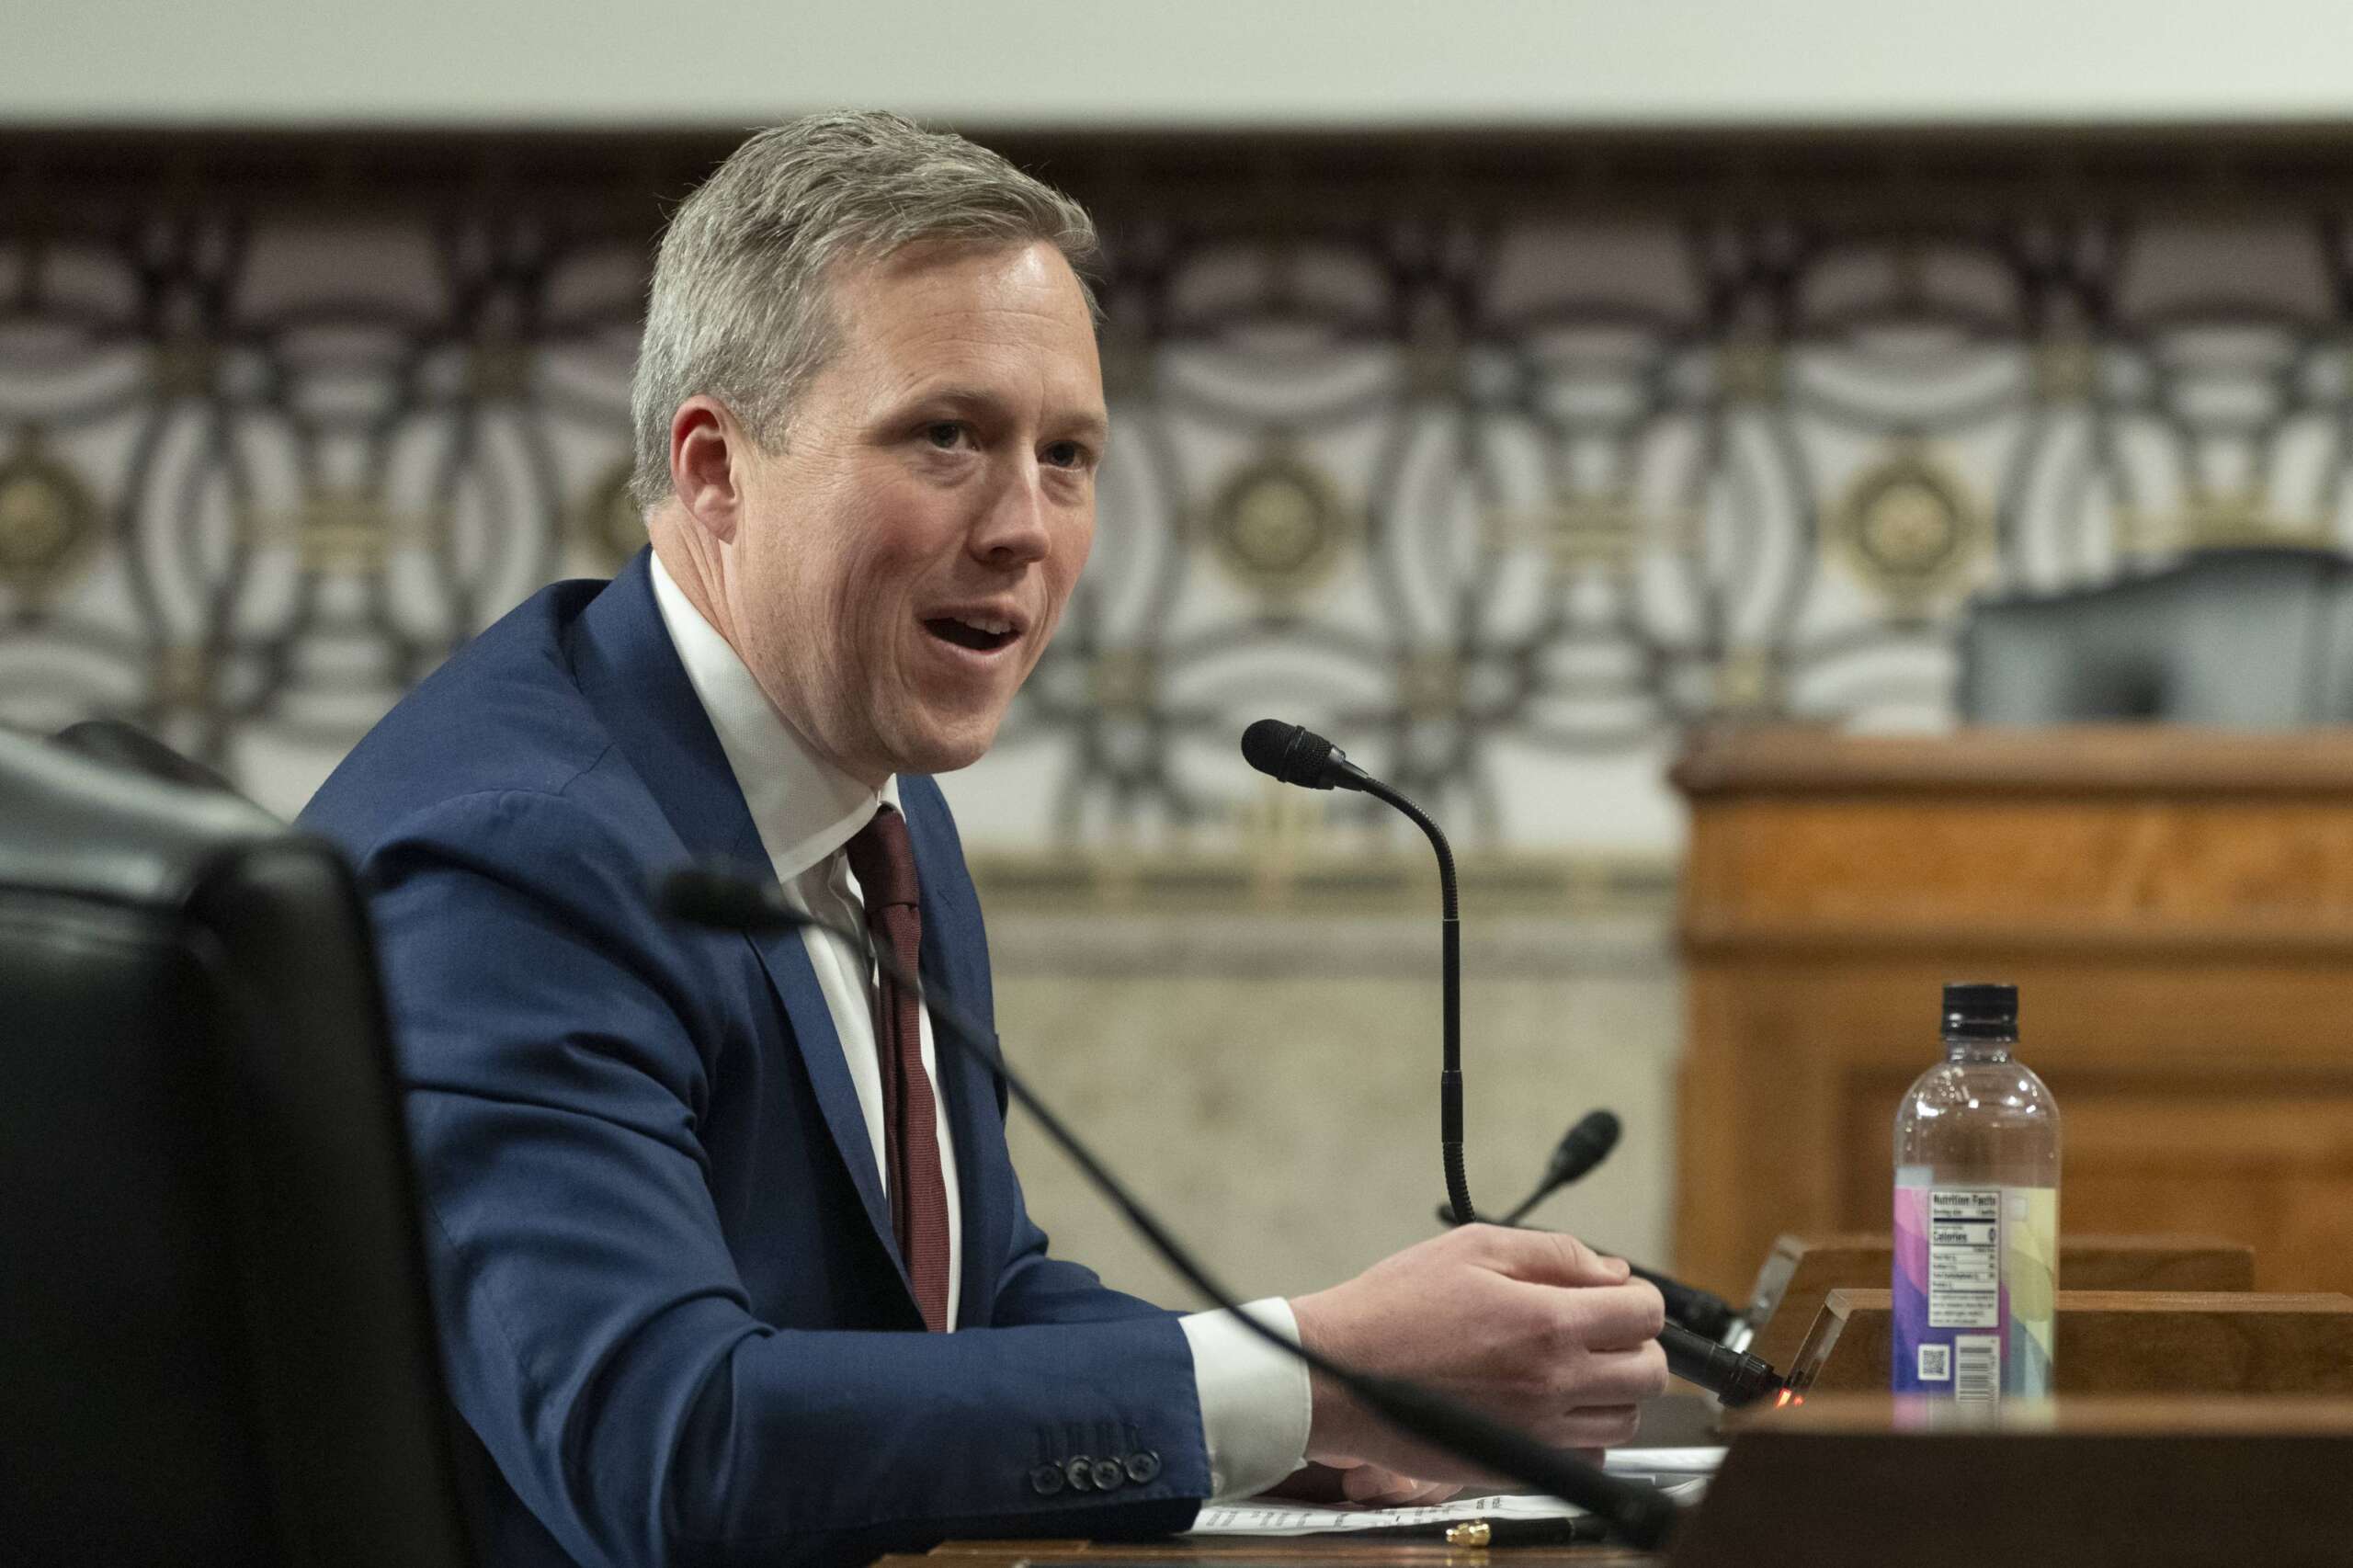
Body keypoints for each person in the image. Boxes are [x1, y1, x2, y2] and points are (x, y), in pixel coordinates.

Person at [301, 112, 1666, 1568]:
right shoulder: (519, 859)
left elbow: (968, 1303)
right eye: (946, 436)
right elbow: (668, 1445)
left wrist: (1316, 1417)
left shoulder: (878, 809)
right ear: (714, 469)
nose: (1025, 525)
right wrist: (1311, 1371)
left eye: (1067, 453)